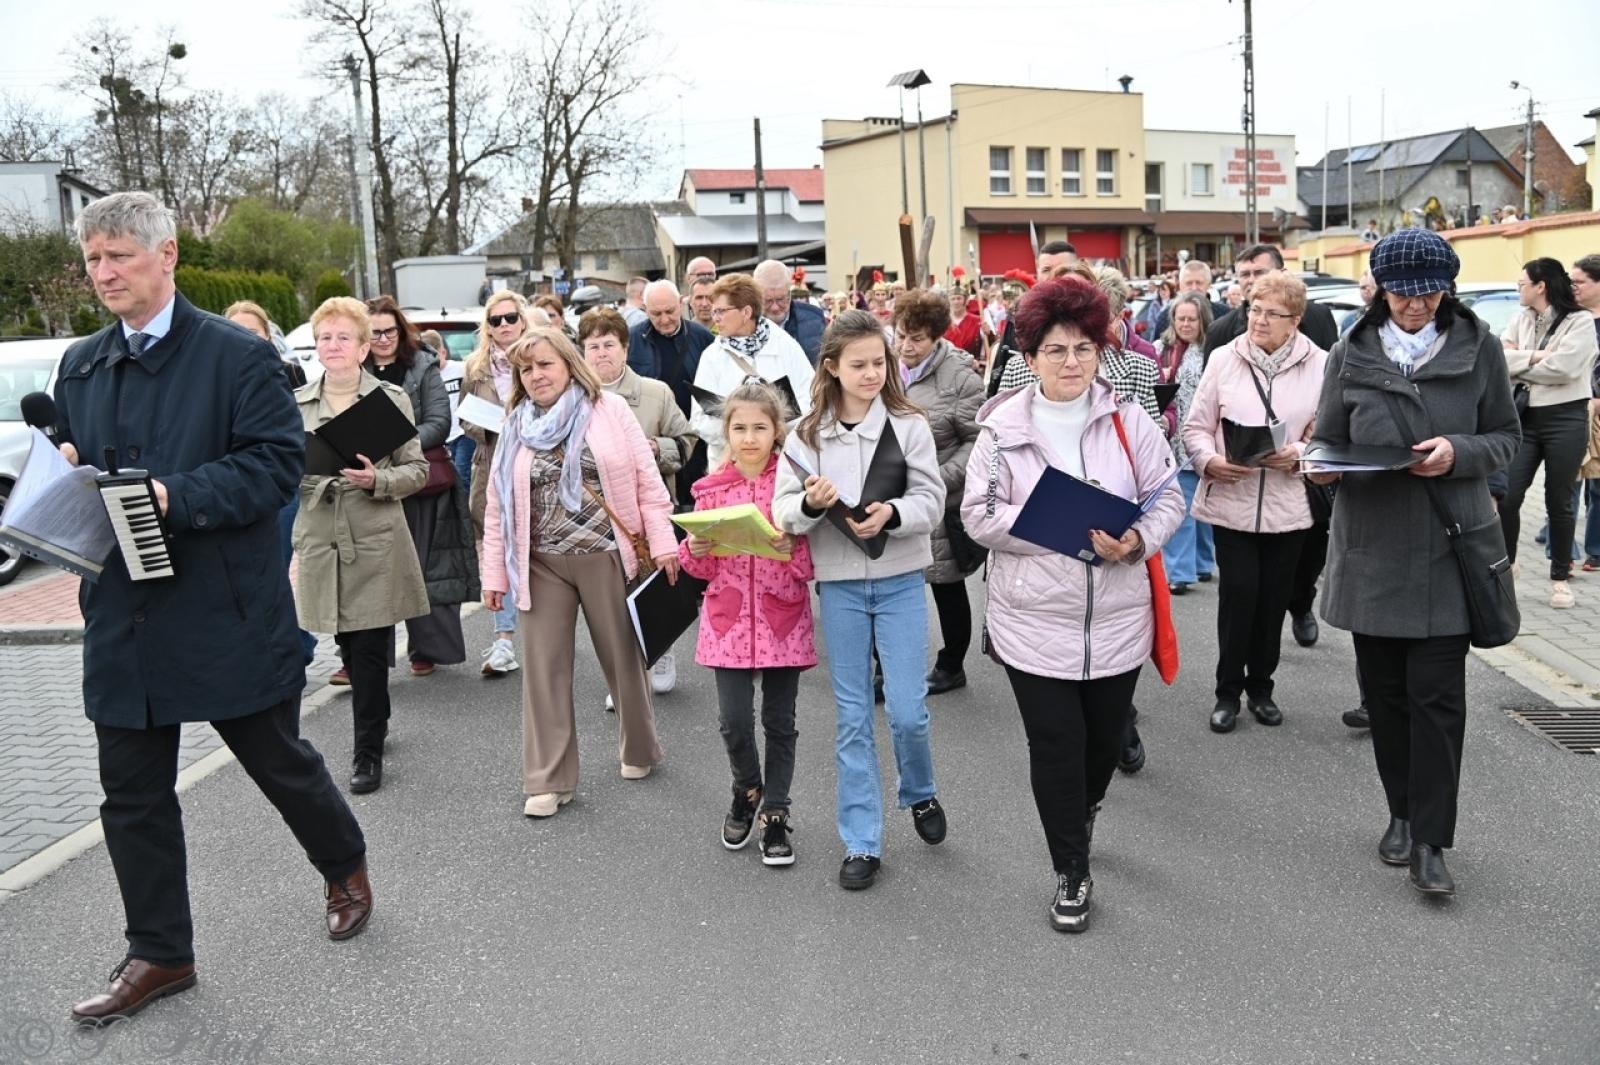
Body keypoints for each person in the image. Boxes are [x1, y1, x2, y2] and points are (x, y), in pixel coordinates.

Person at [56, 192, 370, 1026]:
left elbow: (273, 469)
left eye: (119, 254)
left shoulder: (238, 357)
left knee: (278, 760)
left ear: (168, 256)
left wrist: (174, 493)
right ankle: (161, 951)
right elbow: (85, 466)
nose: (105, 271)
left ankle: (343, 859)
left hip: (222, 605)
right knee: (131, 795)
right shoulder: (82, 364)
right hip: (123, 609)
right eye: (93, 258)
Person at [961, 275, 1183, 933]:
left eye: (1083, 349)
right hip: (1033, 622)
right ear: (1029, 358)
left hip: (1117, 618)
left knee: (1102, 743)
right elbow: (976, 515)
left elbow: (1169, 495)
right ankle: (1071, 867)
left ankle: (1083, 808)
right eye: (1055, 350)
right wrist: (1048, 528)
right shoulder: (1000, 432)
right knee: (1056, 744)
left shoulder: (1129, 421)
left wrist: (1137, 538)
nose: (1070, 363)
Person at [1308, 229, 1519, 896]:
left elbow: (1507, 439)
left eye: (1430, 291)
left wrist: (1457, 451)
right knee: (1389, 700)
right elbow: (1330, 441)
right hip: (1371, 549)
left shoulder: (1480, 346)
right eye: (1404, 291)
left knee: (1439, 700)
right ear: (1379, 288)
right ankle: (1400, 811)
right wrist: (1322, 470)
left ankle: (1432, 838)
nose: (1417, 304)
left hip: (1448, 546)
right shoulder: (1351, 350)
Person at [773, 309, 948, 891]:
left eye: (880, 362)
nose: (872, 373)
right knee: (852, 718)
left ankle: (919, 791)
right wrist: (814, 506)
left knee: (907, 711)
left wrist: (893, 514)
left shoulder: (909, 425)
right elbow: (783, 513)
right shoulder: (804, 434)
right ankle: (862, 841)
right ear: (832, 367)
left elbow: (932, 498)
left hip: (900, 579)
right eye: (860, 365)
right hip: (841, 585)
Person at [480, 327, 678, 819]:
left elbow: (647, 483)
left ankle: (639, 748)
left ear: (569, 363)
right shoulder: (515, 425)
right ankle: (549, 779)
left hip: (607, 554)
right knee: (544, 670)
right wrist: (493, 575)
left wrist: (664, 544)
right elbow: (496, 504)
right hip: (540, 562)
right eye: (527, 369)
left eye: (545, 364)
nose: (536, 375)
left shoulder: (608, 411)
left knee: (622, 661)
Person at [293, 298, 430, 795]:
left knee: (369, 652)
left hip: (374, 536)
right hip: (320, 535)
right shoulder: (296, 401)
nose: (333, 346)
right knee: (346, 644)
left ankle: (366, 751)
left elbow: (417, 470)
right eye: (324, 337)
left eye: (343, 337)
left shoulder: (390, 399)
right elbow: (281, 466)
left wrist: (378, 479)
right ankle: (378, 718)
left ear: (363, 344)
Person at [678, 382, 816, 866]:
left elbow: (814, 564)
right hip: (728, 620)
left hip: (783, 616)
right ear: (726, 433)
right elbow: (700, 569)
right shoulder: (711, 491)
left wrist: (792, 550)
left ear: (778, 432)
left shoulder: (795, 487)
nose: (750, 437)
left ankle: (776, 812)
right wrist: (693, 550)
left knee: (780, 722)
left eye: (760, 427)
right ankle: (747, 788)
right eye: (740, 428)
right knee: (733, 722)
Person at [1183, 270, 1327, 733]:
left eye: (1272, 313)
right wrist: (1209, 461)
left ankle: (1262, 688)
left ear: (1296, 320)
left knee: (1273, 600)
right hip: (1233, 498)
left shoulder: (1321, 364)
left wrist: (1299, 454)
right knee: (1239, 596)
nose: (1259, 320)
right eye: (1254, 309)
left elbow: (1328, 435)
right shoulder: (1225, 358)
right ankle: (1227, 692)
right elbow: (1195, 427)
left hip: (1289, 505)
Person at [580, 306, 696, 697]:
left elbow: (687, 441)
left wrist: (655, 448)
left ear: (625, 348)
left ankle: (660, 651)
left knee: (652, 589)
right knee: (612, 602)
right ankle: (625, 677)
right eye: (592, 346)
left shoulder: (655, 392)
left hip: (650, 509)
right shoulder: (573, 399)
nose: (601, 354)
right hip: (599, 516)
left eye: (608, 344)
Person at [364, 295, 475, 677]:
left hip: (419, 482)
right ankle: (360, 656)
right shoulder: (351, 368)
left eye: (389, 331)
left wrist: (395, 444)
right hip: (365, 481)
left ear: (400, 329)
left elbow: (439, 421)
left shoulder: (422, 365)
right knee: (371, 571)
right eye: (374, 332)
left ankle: (425, 647)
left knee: (425, 563)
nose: (382, 338)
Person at [894, 289, 984, 695]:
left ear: (936, 337)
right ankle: (889, 665)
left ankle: (952, 664)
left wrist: (943, 477)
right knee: (894, 586)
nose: (906, 347)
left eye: (917, 339)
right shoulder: (887, 368)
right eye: (901, 336)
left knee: (947, 584)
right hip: (892, 495)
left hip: (942, 499)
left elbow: (978, 441)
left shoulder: (961, 377)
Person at [1498, 257, 1600, 608]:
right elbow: (1499, 359)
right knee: (1508, 496)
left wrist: (1523, 361)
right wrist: (1539, 356)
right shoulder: (1519, 318)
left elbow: (1567, 367)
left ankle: (1560, 576)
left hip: (1566, 418)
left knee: (1560, 501)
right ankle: (1507, 566)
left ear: (1540, 286)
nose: (1518, 290)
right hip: (1524, 417)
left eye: (1522, 284)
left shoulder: (1580, 321)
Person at [227, 300, 317, 666]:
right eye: (235, 332)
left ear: (268, 336)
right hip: (233, 491)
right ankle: (297, 643)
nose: (243, 340)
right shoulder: (215, 381)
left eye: (252, 332)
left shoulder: (289, 374)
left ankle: (291, 649)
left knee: (272, 570)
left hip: (280, 489)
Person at [461, 291, 537, 677]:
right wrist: (493, 425)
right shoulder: (475, 366)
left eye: (510, 318)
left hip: (539, 466)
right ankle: (504, 639)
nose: (504, 326)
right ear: (486, 326)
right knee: (499, 549)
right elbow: (464, 418)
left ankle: (545, 633)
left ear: (523, 320)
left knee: (539, 550)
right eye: (496, 320)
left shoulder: (541, 357)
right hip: (492, 464)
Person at [691, 273, 815, 466]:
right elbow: (699, 419)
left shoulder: (785, 346)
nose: (716, 319)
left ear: (746, 312)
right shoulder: (712, 356)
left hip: (780, 463)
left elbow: (811, 400)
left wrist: (773, 433)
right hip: (731, 467)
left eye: (721, 311)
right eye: (715, 312)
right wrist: (740, 436)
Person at [629, 279, 714, 501]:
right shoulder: (632, 340)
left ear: (681, 303)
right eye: (656, 314)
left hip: (696, 439)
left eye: (670, 311)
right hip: (652, 441)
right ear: (644, 310)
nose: (664, 319)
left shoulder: (702, 337)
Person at [1155, 291, 1216, 594]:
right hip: (1171, 441)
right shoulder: (1161, 349)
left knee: (1200, 504)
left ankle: (1200, 564)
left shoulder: (1210, 351)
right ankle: (1183, 570)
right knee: (1183, 504)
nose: (1186, 323)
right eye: (1181, 318)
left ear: (1202, 320)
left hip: (1201, 437)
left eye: (1192, 318)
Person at [1570, 254, 1600, 570]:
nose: (1572, 287)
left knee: (1598, 484)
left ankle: (1596, 548)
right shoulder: (1569, 317)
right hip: (1573, 409)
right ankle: (1561, 547)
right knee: (1567, 482)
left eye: (1579, 282)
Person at [754, 259, 826, 364]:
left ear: (789, 293)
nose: (775, 307)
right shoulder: (744, 322)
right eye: (767, 301)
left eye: (781, 299)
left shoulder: (814, 319)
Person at [1152, 259, 1229, 338]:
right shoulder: (1165, 317)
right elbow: (1156, 349)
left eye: (1199, 283)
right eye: (1189, 283)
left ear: (1209, 285)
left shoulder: (1225, 315)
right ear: (1180, 286)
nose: (1194, 288)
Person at [944, 286, 983, 362]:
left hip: (971, 366)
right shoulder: (942, 322)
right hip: (947, 365)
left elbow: (988, 344)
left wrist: (988, 333)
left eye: (959, 298)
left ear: (965, 301)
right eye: (953, 299)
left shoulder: (977, 321)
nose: (956, 302)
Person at [1339, 271, 1378, 337]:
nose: (1367, 290)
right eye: (1363, 287)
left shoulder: (1393, 318)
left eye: (1371, 286)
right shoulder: (1350, 319)